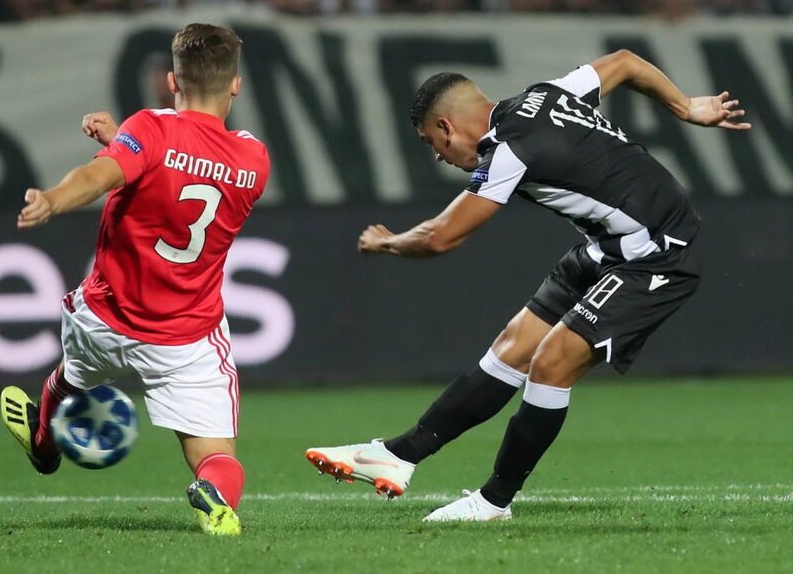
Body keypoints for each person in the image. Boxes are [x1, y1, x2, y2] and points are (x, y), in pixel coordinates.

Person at [305, 49, 750, 521]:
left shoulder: (508, 151)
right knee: (512, 348)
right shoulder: (547, 95)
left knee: (551, 362)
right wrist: (684, 107)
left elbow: (441, 237)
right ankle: (399, 455)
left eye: (430, 143)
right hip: (607, 248)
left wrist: (389, 242)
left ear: (446, 128)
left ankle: (495, 500)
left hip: (662, 252)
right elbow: (623, 62)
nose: (437, 155)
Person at [0, 23, 269, 536]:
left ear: (171, 80)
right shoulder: (254, 158)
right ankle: (214, 496)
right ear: (235, 85)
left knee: (71, 376)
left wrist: (54, 199)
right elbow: (190, 169)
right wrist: (129, 139)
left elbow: (103, 175)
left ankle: (43, 440)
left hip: (105, 319)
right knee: (217, 456)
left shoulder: (149, 130)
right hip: (186, 337)